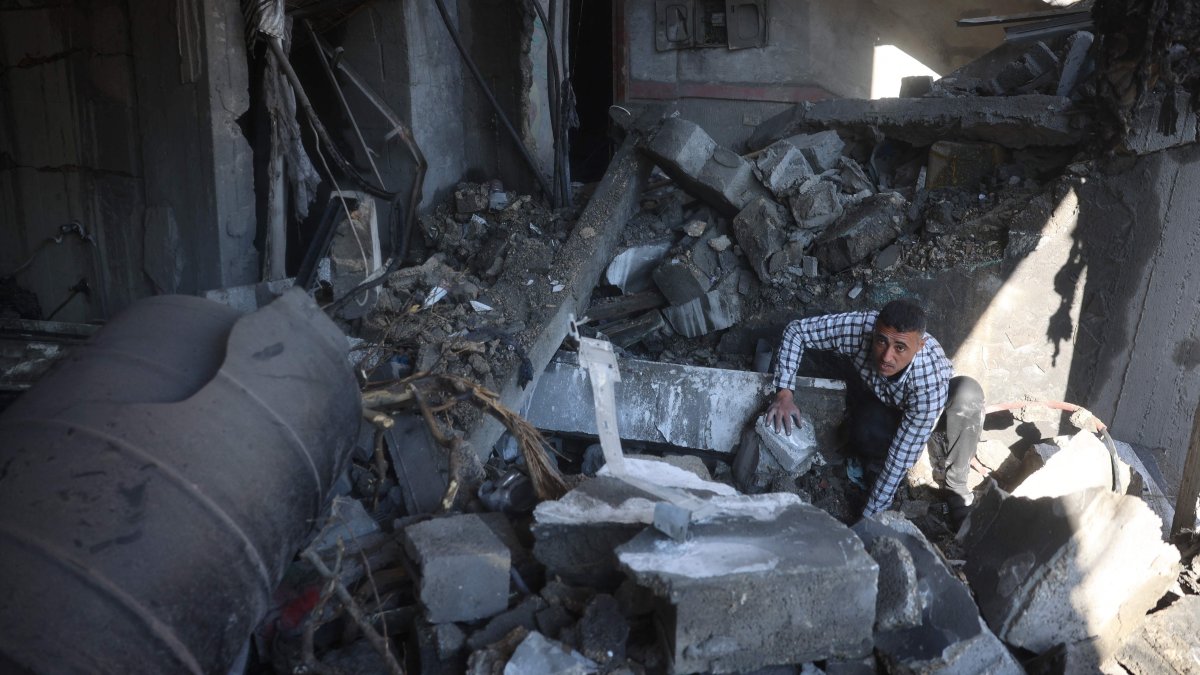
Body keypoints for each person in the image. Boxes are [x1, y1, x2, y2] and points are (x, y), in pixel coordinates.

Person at [765, 299, 984, 521]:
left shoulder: (929, 381)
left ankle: (956, 486)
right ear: (875, 331)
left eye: (900, 348)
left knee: (969, 394)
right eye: (881, 341)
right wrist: (785, 393)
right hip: (886, 404)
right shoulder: (860, 328)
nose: (886, 357)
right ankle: (874, 463)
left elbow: (901, 457)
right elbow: (797, 331)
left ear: (919, 347)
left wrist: (869, 519)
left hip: (932, 410)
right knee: (863, 428)